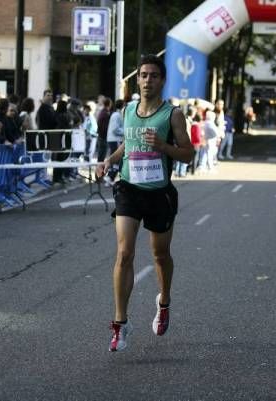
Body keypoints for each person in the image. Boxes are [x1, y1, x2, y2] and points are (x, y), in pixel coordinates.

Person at [96, 54, 194, 352]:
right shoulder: (127, 111)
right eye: (143, 75)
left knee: (160, 254)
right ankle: (120, 324)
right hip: (129, 188)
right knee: (124, 253)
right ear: (137, 80)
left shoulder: (172, 114)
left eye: (153, 75)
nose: (147, 80)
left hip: (159, 192)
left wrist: (163, 146)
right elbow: (128, 143)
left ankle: (163, 301)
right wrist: (108, 161)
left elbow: (188, 153)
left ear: (162, 80)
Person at [104, 99, 124, 185]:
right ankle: (110, 177)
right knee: (117, 159)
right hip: (115, 139)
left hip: (113, 139)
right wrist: (126, 131)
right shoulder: (117, 115)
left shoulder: (116, 114)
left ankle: (110, 178)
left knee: (116, 159)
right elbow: (115, 129)